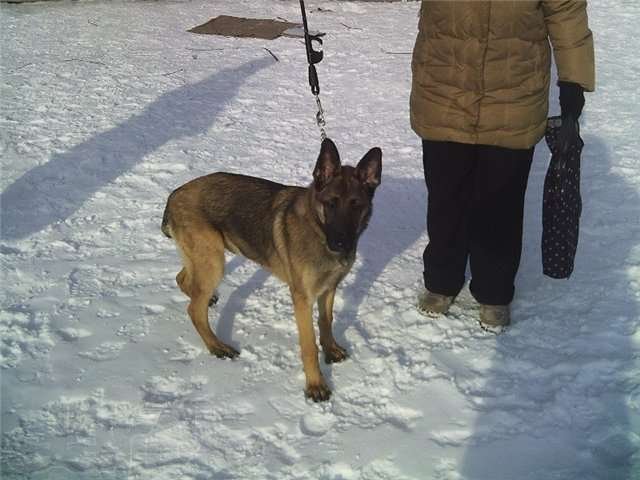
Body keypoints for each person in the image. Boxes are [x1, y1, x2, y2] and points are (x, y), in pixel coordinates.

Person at [410, 1, 595, 326]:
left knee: (501, 204)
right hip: (443, 86)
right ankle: (441, 280)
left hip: (514, 93)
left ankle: (494, 291)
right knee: (445, 197)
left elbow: (565, 9)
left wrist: (574, 79)